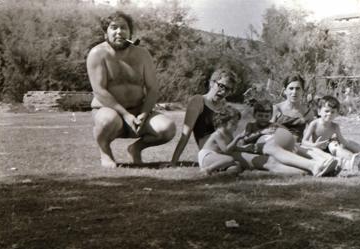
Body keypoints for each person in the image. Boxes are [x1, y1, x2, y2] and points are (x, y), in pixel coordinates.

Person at [171, 69, 336, 177]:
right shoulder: (198, 101)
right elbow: (185, 133)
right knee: (268, 161)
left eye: (228, 89)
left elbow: (237, 129)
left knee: (270, 148)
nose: (223, 91)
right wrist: (174, 161)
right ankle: (313, 167)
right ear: (212, 82)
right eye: (220, 86)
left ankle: (315, 167)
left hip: (232, 147)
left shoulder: (225, 106)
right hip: (216, 151)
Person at [86, 11, 176, 168]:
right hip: (109, 113)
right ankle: (105, 153)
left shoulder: (142, 54)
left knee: (167, 128)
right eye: (114, 27)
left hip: (138, 112)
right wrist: (126, 115)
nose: (119, 32)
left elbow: (153, 88)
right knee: (107, 120)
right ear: (105, 32)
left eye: (123, 27)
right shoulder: (97, 54)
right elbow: (99, 91)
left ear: (130, 32)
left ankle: (136, 149)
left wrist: (144, 113)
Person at [302, 95, 360, 172]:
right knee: (334, 151)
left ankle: (358, 160)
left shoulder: (335, 126)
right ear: (319, 111)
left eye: (333, 112)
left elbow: (344, 142)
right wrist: (315, 145)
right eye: (327, 111)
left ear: (336, 114)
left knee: (336, 146)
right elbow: (304, 141)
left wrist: (358, 150)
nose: (329, 114)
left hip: (331, 148)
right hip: (318, 149)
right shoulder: (314, 124)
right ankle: (353, 163)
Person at [198, 106, 249, 175]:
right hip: (207, 156)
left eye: (237, 123)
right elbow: (226, 151)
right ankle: (207, 170)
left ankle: (220, 172)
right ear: (223, 123)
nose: (236, 126)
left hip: (218, 157)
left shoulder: (229, 134)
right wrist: (237, 138)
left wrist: (245, 149)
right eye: (233, 124)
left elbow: (232, 148)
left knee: (237, 166)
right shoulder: (218, 134)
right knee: (230, 159)